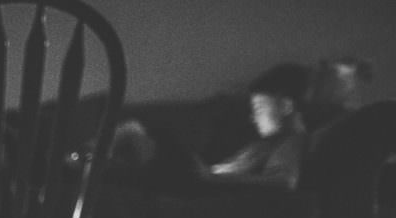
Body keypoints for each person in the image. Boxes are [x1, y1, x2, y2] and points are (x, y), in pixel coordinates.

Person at [108, 63, 312, 191]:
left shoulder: (293, 140)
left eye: (259, 108)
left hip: (201, 183)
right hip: (200, 175)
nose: (253, 118)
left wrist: (208, 178)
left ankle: (97, 161)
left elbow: (284, 182)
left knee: (134, 131)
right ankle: (98, 162)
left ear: (286, 106)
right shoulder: (267, 144)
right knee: (133, 137)